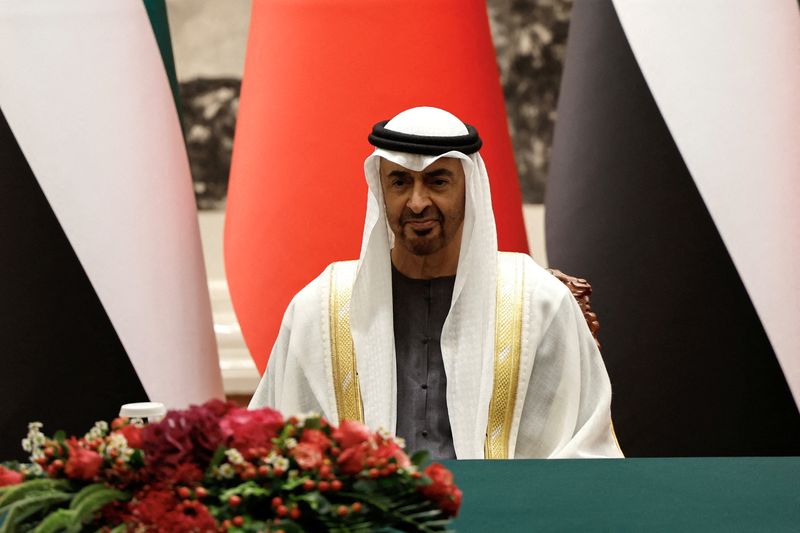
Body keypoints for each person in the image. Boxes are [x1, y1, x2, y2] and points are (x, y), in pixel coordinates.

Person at [250, 106, 622, 459]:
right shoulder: (321, 308)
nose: (416, 202)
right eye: (400, 182)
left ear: (468, 187)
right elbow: (272, 446)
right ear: (381, 190)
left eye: (437, 181)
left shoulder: (537, 302)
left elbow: (585, 447)